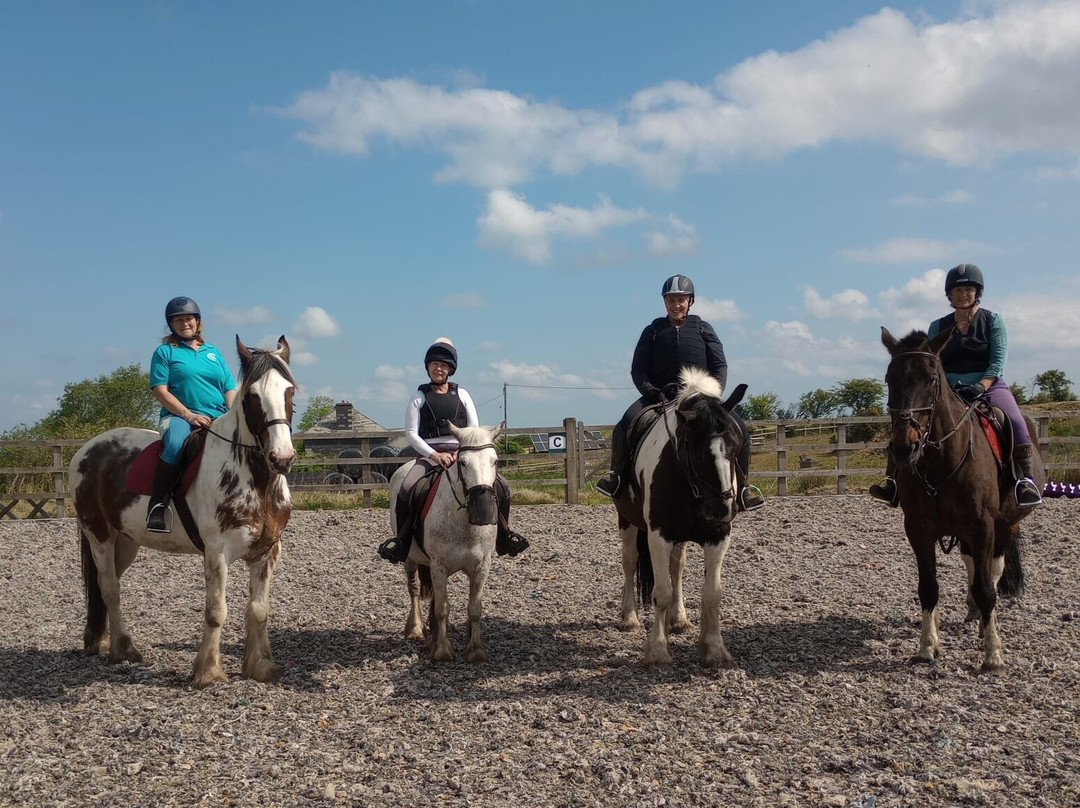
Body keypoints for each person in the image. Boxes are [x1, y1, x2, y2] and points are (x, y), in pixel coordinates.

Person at [870, 263, 1042, 507]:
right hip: (947, 388)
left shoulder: (993, 321)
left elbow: (997, 363)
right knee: (908, 423)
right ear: (949, 295)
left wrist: (981, 386)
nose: (963, 294)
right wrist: (946, 386)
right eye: (958, 290)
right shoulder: (937, 326)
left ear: (977, 292)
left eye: (969, 289)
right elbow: (929, 366)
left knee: (1014, 419)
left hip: (989, 385)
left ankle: (1024, 480)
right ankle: (893, 482)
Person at [595, 275, 765, 511]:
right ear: (665, 302)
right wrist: (652, 392)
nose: (676, 305)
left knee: (740, 428)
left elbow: (719, 366)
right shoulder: (653, 331)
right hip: (659, 396)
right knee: (625, 423)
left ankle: (744, 488)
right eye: (671, 300)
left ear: (690, 301)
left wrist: (712, 395)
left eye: (681, 300)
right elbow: (638, 369)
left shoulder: (704, 329)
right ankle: (617, 478)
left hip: (700, 398)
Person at [377, 338, 530, 563]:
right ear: (428, 367)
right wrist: (434, 455)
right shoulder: (418, 397)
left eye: (443, 365)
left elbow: (474, 430)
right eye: (434, 364)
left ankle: (504, 536)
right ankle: (401, 542)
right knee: (407, 487)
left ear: (450, 369)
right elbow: (411, 433)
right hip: (429, 455)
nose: (438, 369)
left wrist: (462, 452)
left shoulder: (463, 395)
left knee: (502, 486)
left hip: (462, 452)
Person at [146, 296, 237, 532]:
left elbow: (229, 388)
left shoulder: (213, 352)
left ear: (198, 322)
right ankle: (157, 505)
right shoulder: (165, 352)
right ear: (171, 324)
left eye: (188, 318)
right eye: (178, 320)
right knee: (175, 445)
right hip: (178, 417)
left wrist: (233, 414)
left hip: (217, 416)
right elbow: (160, 390)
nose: (184, 323)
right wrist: (188, 415)